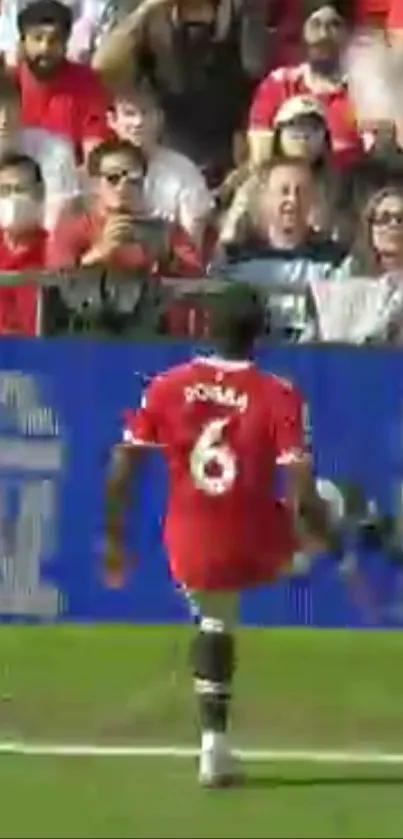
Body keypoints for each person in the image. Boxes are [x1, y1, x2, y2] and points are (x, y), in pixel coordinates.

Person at [102, 282, 337, 787]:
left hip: (188, 542)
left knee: (213, 618)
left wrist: (114, 540)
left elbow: (122, 466)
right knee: (332, 499)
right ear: (262, 333)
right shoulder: (278, 392)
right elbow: (300, 486)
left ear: (206, 328)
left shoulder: (166, 385)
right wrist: (324, 539)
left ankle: (213, 746)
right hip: (252, 541)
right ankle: (302, 560)